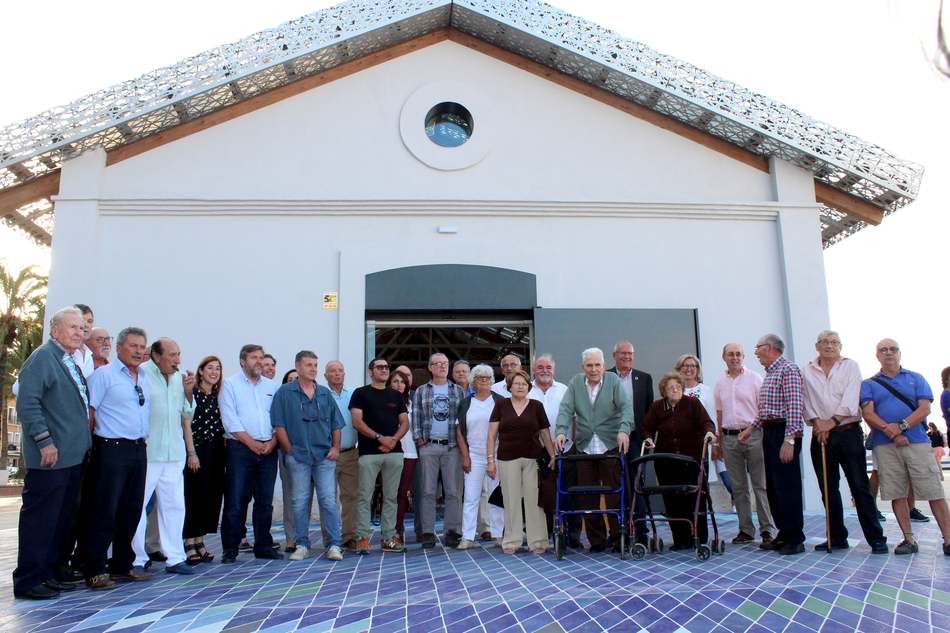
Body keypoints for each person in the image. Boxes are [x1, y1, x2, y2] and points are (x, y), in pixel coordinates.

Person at [13, 307, 92, 600]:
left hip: (70, 458)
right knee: (40, 520)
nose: (78, 333)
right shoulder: (43, 358)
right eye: (72, 327)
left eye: (82, 328)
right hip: (50, 458)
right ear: (54, 329)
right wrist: (44, 441)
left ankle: (48, 572)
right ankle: (29, 580)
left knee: (59, 520)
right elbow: (28, 404)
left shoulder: (65, 359)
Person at [860, 339, 950, 556]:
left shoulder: (915, 378)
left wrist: (900, 427)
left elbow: (925, 407)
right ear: (877, 355)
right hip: (885, 445)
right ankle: (908, 540)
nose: (888, 353)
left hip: (917, 442)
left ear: (900, 353)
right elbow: (868, 413)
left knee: (933, 491)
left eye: (893, 349)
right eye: (883, 349)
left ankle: (948, 539)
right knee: (896, 493)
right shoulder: (869, 384)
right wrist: (891, 432)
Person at [803, 331, 887, 554]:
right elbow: (806, 401)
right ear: (817, 345)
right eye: (825, 342)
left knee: (859, 486)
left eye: (834, 343)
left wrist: (830, 423)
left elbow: (851, 400)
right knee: (827, 489)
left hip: (847, 432)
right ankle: (837, 536)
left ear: (840, 346)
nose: (829, 346)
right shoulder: (807, 370)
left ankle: (876, 538)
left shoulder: (850, 366)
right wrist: (817, 423)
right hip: (820, 435)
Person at [82, 326, 152, 589]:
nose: (138, 351)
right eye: (133, 346)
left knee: (131, 509)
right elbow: (90, 412)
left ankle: (123, 565)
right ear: (119, 347)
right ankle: (95, 569)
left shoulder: (143, 376)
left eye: (141, 346)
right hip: (110, 449)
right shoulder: (103, 375)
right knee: (103, 510)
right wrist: (89, 449)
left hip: (137, 449)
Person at [555, 348, 633, 553]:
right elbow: (565, 410)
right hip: (585, 446)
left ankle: (618, 538)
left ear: (603, 365)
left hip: (609, 445)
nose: (593, 369)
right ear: (583, 367)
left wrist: (624, 430)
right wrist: (561, 431)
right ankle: (597, 541)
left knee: (614, 495)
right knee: (587, 495)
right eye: (589, 365)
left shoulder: (613, 381)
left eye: (597, 365)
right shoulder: (575, 383)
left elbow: (626, 407)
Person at [131, 339, 198, 575]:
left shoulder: (180, 378)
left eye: (179, 354)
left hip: (174, 453)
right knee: (137, 507)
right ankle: (137, 558)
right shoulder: (141, 374)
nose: (178, 360)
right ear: (156, 356)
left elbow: (187, 413)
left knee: (174, 506)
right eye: (172, 355)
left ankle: (175, 558)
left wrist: (189, 393)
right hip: (149, 453)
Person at [272, 351, 345, 561]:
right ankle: (301, 544)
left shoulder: (324, 393)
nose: (313, 369)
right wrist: (289, 451)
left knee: (329, 501)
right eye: (308, 365)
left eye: (315, 365)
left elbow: (336, 424)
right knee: (299, 501)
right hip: (298, 457)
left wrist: (336, 448)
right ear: (297, 366)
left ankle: (333, 545)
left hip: (324, 456)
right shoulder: (284, 393)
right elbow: (279, 425)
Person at [739, 334, 805, 555]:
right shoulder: (770, 373)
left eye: (757, 348)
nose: (755, 352)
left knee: (788, 485)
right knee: (775, 487)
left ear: (769, 348)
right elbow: (766, 410)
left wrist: (789, 440)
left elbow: (795, 407)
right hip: (769, 431)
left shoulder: (788, 370)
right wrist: (751, 428)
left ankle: (795, 538)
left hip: (784, 432)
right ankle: (783, 533)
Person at [219, 344, 282, 563]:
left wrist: (273, 441)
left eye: (261, 357)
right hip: (240, 450)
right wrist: (252, 443)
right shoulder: (230, 385)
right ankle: (231, 548)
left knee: (265, 501)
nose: (259, 361)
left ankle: (263, 545)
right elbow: (230, 419)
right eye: (254, 357)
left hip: (268, 449)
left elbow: (278, 417)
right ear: (242, 361)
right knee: (236, 500)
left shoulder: (272, 386)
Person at [643, 372, 716, 549]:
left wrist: (709, 432)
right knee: (672, 499)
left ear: (682, 388)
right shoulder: (657, 406)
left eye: (677, 387)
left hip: (691, 460)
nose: (675, 390)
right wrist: (649, 438)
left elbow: (707, 422)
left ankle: (699, 537)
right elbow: (647, 428)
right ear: (664, 391)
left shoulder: (692, 403)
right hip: (666, 462)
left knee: (693, 498)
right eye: (670, 388)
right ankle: (680, 539)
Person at [487, 370, 556, 554]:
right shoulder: (501, 405)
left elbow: (545, 434)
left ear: (529, 387)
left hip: (533, 458)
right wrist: (490, 461)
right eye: (517, 383)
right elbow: (492, 435)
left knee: (535, 500)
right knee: (511, 500)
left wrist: (553, 456)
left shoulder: (536, 406)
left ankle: (538, 541)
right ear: (510, 386)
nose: (520, 386)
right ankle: (511, 541)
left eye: (524, 384)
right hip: (507, 459)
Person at [713, 343, 774, 545]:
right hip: (730, 438)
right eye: (731, 354)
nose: (735, 357)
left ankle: (767, 530)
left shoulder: (755, 379)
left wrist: (751, 431)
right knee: (739, 487)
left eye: (738, 354)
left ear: (743, 357)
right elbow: (719, 413)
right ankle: (746, 530)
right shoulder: (720, 382)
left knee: (760, 485)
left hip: (754, 435)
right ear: (724, 357)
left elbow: (763, 409)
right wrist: (719, 442)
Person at [350, 359, 409, 553]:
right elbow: (357, 422)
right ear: (370, 372)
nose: (384, 370)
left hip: (394, 453)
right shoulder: (360, 393)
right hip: (369, 453)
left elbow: (404, 423)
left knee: (391, 497)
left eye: (386, 367)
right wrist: (379, 438)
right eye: (379, 367)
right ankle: (362, 538)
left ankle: (388, 538)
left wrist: (392, 440)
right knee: (364, 497)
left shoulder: (396, 395)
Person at [412, 352, 465, 548]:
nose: (442, 366)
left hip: (451, 447)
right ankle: (427, 532)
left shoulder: (458, 390)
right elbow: (415, 416)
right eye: (438, 364)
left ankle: (452, 532)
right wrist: (419, 439)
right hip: (429, 446)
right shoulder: (421, 391)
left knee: (453, 492)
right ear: (430, 367)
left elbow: (463, 418)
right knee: (427, 491)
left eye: (445, 363)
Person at [607, 340, 653, 546]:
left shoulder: (644, 378)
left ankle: (641, 532)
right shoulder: (605, 376)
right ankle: (618, 535)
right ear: (614, 355)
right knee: (615, 485)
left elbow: (649, 411)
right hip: (610, 439)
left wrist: (648, 437)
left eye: (630, 354)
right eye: (623, 353)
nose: (627, 357)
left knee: (636, 485)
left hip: (636, 440)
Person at [455, 364, 506, 549]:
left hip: (497, 456)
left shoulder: (500, 401)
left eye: (487, 377)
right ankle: (467, 536)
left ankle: (498, 534)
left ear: (492, 381)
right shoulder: (466, 403)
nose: (484, 380)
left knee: (496, 496)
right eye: (479, 377)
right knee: (470, 497)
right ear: (473, 381)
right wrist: (465, 456)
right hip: (474, 456)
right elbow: (459, 431)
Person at [183, 356, 226, 564]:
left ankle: (200, 541)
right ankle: (189, 542)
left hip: (216, 451)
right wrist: (191, 453)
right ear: (201, 371)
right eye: (210, 368)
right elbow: (186, 424)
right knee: (194, 496)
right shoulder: (193, 394)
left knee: (210, 496)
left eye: (217, 368)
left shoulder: (217, 395)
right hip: (197, 451)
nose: (214, 372)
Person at [528, 354, 575, 542]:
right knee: (544, 494)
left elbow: (574, 419)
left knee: (569, 492)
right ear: (533, 370)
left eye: (548, 367)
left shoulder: (564, 390)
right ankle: (547, 533)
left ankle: (572, 534)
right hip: (538, 453)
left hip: (566, 450)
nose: (544, 370)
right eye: (540, 367)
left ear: (554, 369)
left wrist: (575, 445)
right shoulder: (526, 391)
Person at [325, 361, 359, 551]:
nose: (337, 374)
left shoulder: (354, 394)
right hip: (327, 454)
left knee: (351, 497)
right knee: (328, 498)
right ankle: (329, 538)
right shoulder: (320, 394)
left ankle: (349, 537)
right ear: (325, 376)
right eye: (333, 371)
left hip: (350, 452)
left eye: (340, 371)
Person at [390, 369, 416, 540]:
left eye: (402, 382)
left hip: (410, 453)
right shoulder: (383, 402)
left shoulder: (412, 404)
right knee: (390, 493)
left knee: (402, 493)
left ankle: (398, 528)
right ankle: (390, 528)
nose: (399, 385)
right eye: (395, 381)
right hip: (390, 452)